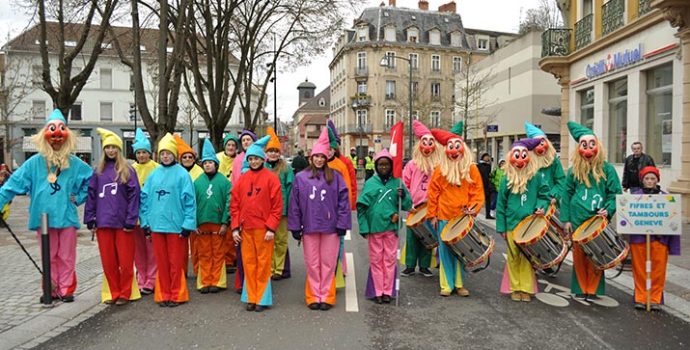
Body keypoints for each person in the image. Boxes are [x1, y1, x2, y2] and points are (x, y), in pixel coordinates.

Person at [0, 109, 92, 302]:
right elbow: (13, 184)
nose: (56, 141)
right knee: (48, 256)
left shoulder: (74, 163)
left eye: (60, 136)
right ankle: (51, 289)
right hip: (42, 217)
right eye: (52, 136)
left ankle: (66, 289)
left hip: (66, 216)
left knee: (66, 256)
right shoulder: (34, 163)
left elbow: (92, 180)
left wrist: (79, 197)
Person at [288, 127, 351, 311]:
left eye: (322, 157)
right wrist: (295, 226)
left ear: (326, 159)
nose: (319, 159)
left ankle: (327, 296)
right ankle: (314, 295)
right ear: (311, 157)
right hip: (309, 227)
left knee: (328, 263)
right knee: (312, 263)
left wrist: (342, 225)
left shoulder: (336, 177)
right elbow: (295, 204)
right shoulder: (301, 178)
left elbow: (343, 202)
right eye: (316, 156)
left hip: (330, 228)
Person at [561, 121, 622, 300]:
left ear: (598, 146)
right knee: (580, 256)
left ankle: (594, 289)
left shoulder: (607, 169)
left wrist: (609, 210)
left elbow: (615, 193)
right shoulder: (573, 171)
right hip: (578, 220)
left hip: (597, 220)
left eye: (591, 144)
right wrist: (567, 220)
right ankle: (580, 287)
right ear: (579, 148)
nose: (588, 149)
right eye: (584, 145)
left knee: (597, 254)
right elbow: (567, 195)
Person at [427, 121, 484, 297]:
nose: (453, 150)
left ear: (463, 148)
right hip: (444, 216)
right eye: (450, 146)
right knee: (444, 252)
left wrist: (473, 209)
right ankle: (446, 285)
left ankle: (459, 284)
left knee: (461, 251)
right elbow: (433, 193)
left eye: (456, 146)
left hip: (462, 218)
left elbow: (477, 192)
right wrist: (432, 215)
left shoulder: (471, 169)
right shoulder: (440, 169)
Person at [84, 128, 141, 305]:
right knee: (109, 262)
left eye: (114, 147)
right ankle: (113, 292)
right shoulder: (98, 172)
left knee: (125, 262)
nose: (111, 151)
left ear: (119, 150)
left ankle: (125, 292)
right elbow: (91, 195)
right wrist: (90, 217)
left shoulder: (127, 170)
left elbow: (134, 196)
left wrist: (131, 220)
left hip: (123, 223)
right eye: (107, 148)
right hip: (103, 223)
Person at [140, 133, 197, 307]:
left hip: (176, 227)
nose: (165, 156)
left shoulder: (182, 175)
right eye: (162, 153)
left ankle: (177, 294)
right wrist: (145, 223)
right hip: (157, 226)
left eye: (168, 153)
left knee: (176, 262)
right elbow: (144, 199)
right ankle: (163, 293)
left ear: (174, 154)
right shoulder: (154, 175)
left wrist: (188, 224)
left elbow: (190, 201)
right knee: (162, 263)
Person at [230, 135, 282, 312]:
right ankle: (250, 297)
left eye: (256, 158)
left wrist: (271, 227)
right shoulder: (242, 180)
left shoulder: (271, 178)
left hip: (263, 229)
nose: (253, 161)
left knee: (263, 264)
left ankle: (261, 297)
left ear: (262, 159)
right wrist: (235, 227)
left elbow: (277, 206)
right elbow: (234, 204)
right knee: (249, 264)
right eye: (250, 159)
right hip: (246, 229)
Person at [496, 138, 549, 302]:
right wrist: (501, 227)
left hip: (529, 225)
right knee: (513, 257)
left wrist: (542, 206)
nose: (520, 160)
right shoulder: (506, 179)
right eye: (516, 155)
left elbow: (544, 195)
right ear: (511, 157)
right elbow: (501, 204)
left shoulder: (536, 177)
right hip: (512, 224)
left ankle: (525, 288)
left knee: (527, 258)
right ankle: (515, 287)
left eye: (523, 155)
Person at [358, 149, 411, 304]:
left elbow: (408, 205)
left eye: (386, 164)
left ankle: (388, 291)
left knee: (389, 260)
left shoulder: (398, 182)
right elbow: (361, 208)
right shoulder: (370, 183)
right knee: (376, 260)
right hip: (375, 228)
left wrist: (404, 196)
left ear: (391, 165)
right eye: (380, 164)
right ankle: (377, 291)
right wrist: (363, 227)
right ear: (376, 166)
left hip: (391, 228)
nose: (383, 167)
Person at [629, 166, 681, 310]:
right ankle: (640, 297)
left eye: (653, 178)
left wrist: (673, 245)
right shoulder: (634, 197)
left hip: (660, 240)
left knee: (658, 270)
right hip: (639, 239)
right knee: (639, 270)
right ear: (642, 180)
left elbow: (673, 221)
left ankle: (655, 298)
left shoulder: (667, 198)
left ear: (657, 180)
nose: (650, 181)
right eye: (647, 178)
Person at [401, 120, 441, 277]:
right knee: (412, 237)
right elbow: (405, 184)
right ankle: (410, 265)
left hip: (430, 207)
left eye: (431, 142)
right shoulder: (412, 164)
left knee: (428, 237)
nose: (428, 146)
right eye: (425, 142)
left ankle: (424, 265)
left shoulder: (438, 165)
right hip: (415, 206)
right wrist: (407, 203)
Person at [193, 139, 231, 293]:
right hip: (202, 222)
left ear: (216, 164)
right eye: (205, 163)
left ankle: (217, 281)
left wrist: (224, 223)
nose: (208, 165)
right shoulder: (197, 182)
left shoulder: (224, 182)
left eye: (210, 162)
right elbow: (192, 203)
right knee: (204, 252)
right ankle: (204, 281)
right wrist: (194, 223)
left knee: (218, 252)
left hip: (218, 222)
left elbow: (229, 203)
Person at [131, 128, 158, 296]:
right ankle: (141, 277)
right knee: (138, 250)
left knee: (152, 250)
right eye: (139, 152)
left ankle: (152, 279)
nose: (141, 155)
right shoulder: (130, 169)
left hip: (152, 215)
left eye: (144, 152)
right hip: (134, 217)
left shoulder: (156, 169)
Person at [264, 127, 294, 280]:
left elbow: (291, 190)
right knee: (267, 240)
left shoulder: (286, 169)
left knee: (281, 241)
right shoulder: (262, 168)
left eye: (276, 151)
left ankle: (278, 268)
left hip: (282, 212)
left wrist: (289, 210)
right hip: (265, 212)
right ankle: (268, 268)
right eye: (271, 151)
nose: (273, 153)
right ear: (266, 152)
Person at [175, 134, 202, 277]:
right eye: (184, 157)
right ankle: (182, 271)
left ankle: (198, 270)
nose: (187, 159)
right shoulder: (177, 172)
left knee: (196, 245)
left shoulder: (200, 172)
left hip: (196, 212)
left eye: (189, 157)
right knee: (181, 245)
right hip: (180, 213)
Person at [525, 122, 566, 207]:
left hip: (550, 203)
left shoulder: (553, 161)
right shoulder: (526, 162)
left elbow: (561, 181)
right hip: (531, 204)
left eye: (542, 143)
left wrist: (554, 196)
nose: (540, 147)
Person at [216, 133, 240, 274]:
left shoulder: (239, 160)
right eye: (228, 145)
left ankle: (231, 258)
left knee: (232, 229)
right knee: (221, 229)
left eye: (233, 145)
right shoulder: (218, 158)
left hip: (235, 196)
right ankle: (222, 257)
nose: (230, 147)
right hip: (220, 196)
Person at [477, 153, 494, 219]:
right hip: (480, 185)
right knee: (478, 200)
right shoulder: (479, 165)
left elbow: (488, 175)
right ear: (483, 157)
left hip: (487, 185)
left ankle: (488, 214)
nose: (487, 158)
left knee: (488, 200)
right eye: (486, 157)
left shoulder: (488, 166)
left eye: (488, 157)